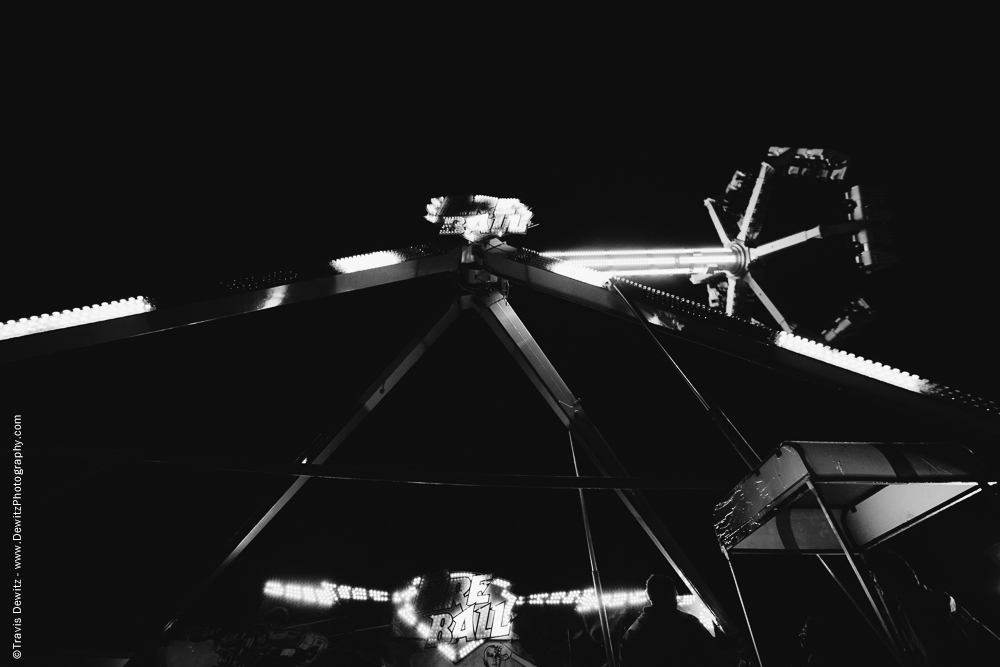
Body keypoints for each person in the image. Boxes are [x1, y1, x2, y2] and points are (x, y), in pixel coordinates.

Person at [619, 574, 726, 666]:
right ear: (671, 595)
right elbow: (713, 658)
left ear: (650, 597)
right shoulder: (689, 624)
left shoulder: (632, 634)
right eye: (675, 594)